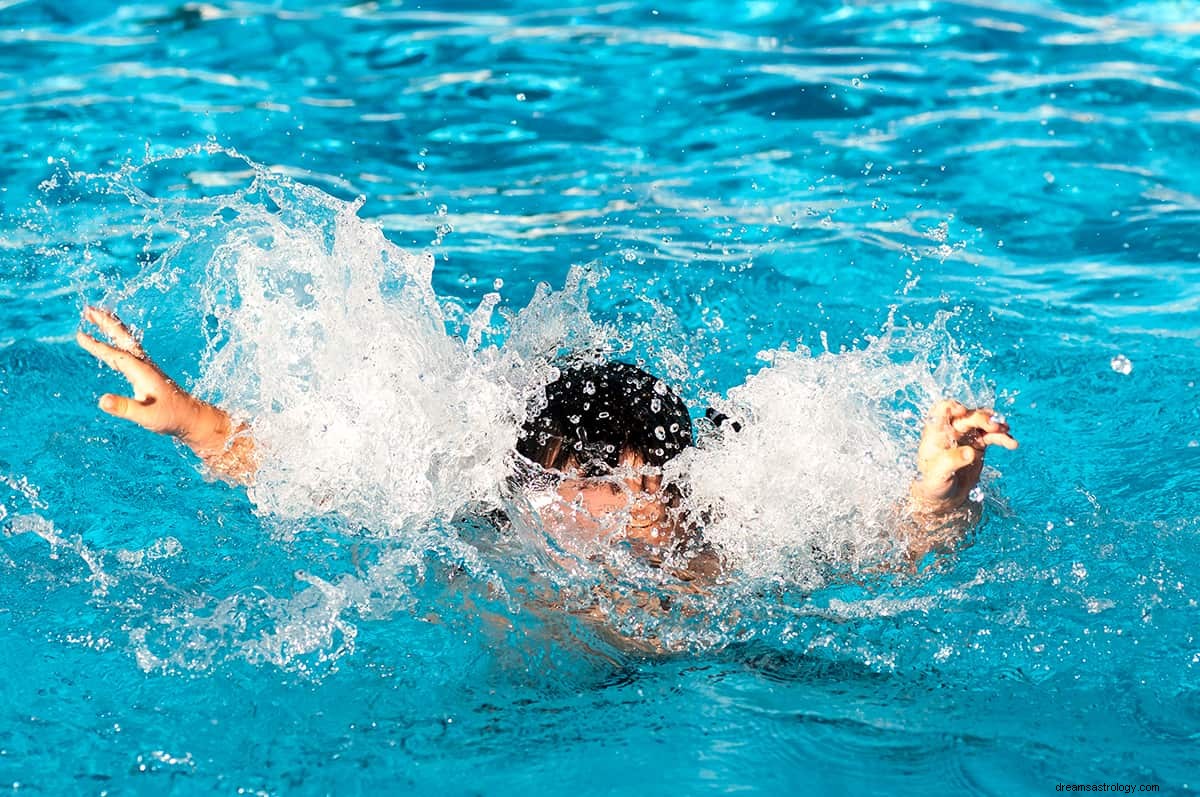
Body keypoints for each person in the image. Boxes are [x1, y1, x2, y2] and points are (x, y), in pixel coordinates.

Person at [75, 305, 1018, 571]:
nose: (624, 507)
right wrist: (194, 419)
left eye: (642, 484)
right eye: (592, 485)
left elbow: (893, 557)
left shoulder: (733, 522)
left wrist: (939, 490)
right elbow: (317, 472)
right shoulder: (496, 501)